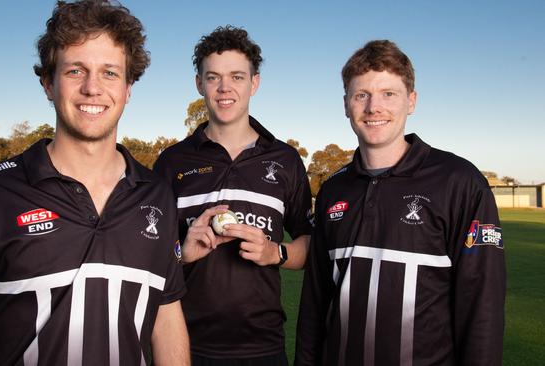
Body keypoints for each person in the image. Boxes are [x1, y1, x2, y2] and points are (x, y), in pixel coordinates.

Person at [0, 1, 189, 365]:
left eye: (110, 73)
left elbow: (167, 319)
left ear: (129, 87)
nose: (93, 88)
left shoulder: (157, 194)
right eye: (76, 71)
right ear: (48, 83)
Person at [294, 40, 506, 365]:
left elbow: (482, 307)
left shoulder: (460, 182)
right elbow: (315, 302)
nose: (373, 107)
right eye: (361, 94)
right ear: (346, 103)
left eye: (388, 94)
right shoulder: (333, 190)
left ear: (412, 101)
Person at [154, 26, 312, 365]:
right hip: (184, 344)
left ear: (254, 83)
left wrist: (275, 253)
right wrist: (182, 252)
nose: (225, 88)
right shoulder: (171, 162)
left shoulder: (285, 160)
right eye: (213, 77)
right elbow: (147, 251)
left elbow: (311, 244)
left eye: (237, 77)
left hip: (263, 348)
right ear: (199, 83)